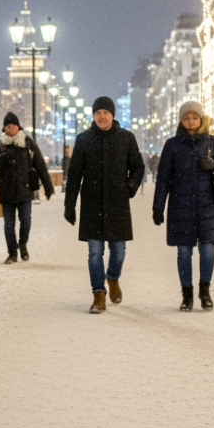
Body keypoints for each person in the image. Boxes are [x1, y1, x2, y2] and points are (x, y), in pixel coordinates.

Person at [64, 97, 145, 313]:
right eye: (98, 113)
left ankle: (113, 277)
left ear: (112, 115)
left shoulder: (126, 138)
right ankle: (98, 294)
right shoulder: (83, 139)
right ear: (93, 116)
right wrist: (69, 205)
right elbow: (74, 174)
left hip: (117, 202)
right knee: (94, 252)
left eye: (105, 112)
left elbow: (138, 167)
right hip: (91, 203)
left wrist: (129, 187)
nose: (102, 116)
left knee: (118, 252)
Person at [152, 100, 214, 312]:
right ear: (181, 120)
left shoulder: (212, 142)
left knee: (207, 250)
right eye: (186, 118)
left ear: (201, 119)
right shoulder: (172, 145)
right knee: (184, 252)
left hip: (208, 206)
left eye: (194, 117)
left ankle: (204, 291)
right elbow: (163, 179)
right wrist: (158, 207)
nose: (190, 121)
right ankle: (186, 295)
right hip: (181, 206)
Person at [0, 112, 54, 264]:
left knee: (26, 222)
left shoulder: (27, 142)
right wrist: (3, 157)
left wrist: (48, 187)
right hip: (6, 191)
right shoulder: (0, 144)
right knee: (9, 225)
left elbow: (40, 164)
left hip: (25, 190)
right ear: (5, 128)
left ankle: (22, 244)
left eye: (13, 126)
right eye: (8, 127)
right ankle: (12, 253)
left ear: (18, 127)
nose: (11, 129)